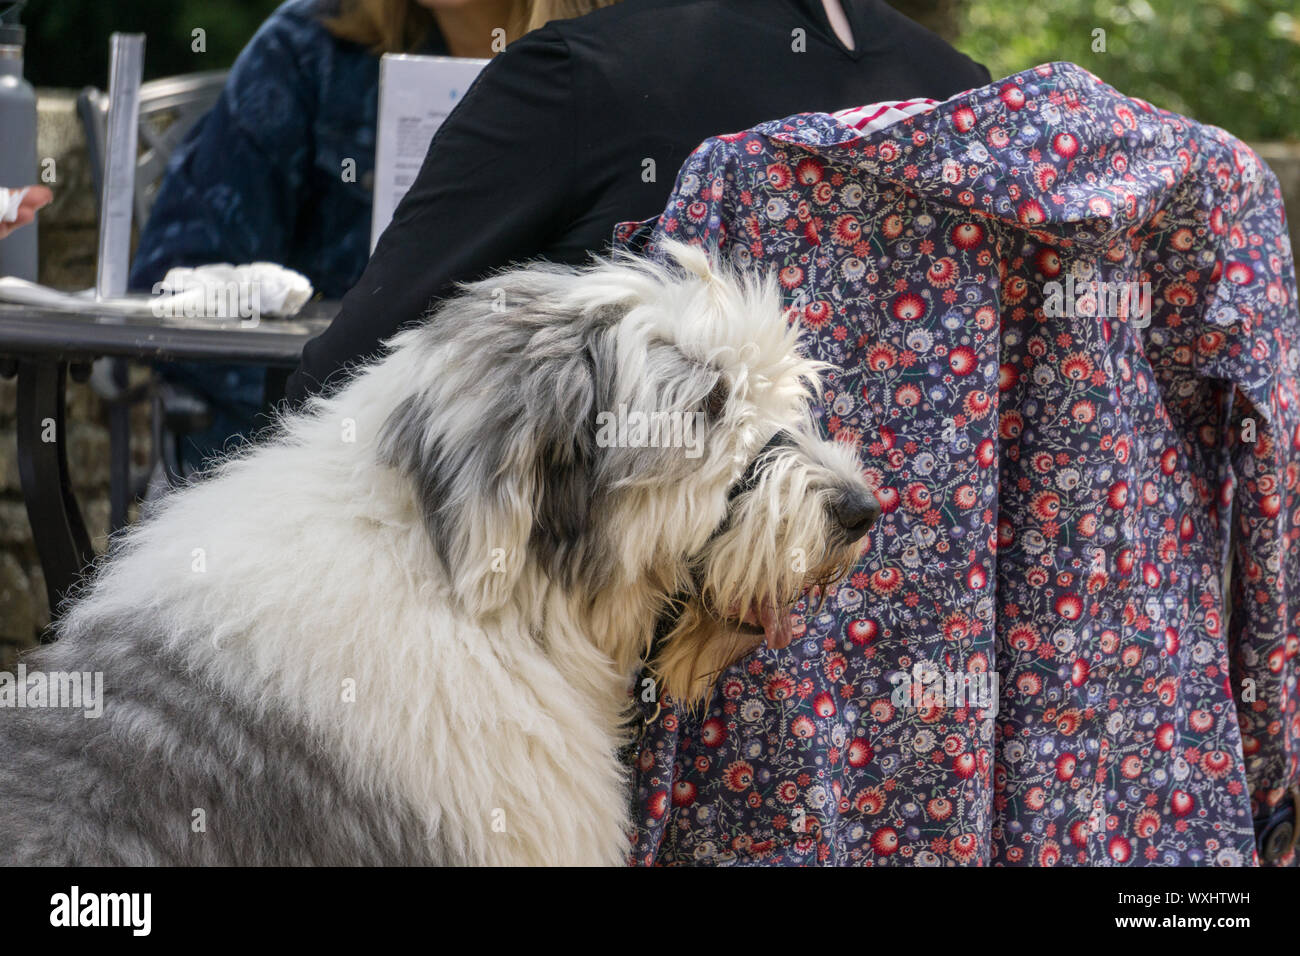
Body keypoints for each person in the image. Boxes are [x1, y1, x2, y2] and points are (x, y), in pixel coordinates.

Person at [284, 0, 993, 403]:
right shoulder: (965, 97)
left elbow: (339, 386)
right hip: (903, 632)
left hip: (632, 638)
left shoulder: (573, 78)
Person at [128, 0, 549, 471]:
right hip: (306, 458)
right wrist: (315, 425)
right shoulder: (311, 47)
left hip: (518, 458)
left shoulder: (597, 63)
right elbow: (173, 278)